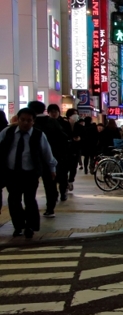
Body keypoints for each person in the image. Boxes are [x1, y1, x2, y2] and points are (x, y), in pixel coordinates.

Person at [0, 109, 57, 239]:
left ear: (33, 121)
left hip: (30, 173)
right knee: (14, 200)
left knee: (30, 199)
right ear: (17, 120)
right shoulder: (8, 132)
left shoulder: (38, 135)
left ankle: (30, 226)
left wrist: (52, 169)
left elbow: (47, 153)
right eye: (23, 120)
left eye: (29, 120)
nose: (25, 123)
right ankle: (18, 226)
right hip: (11, 172)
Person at [28, 101, 67, 218]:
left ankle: (29, 208)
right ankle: (50, 208)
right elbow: (63, 138)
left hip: (31, 160)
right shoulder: (52, 122)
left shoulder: (30, 123)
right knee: (49, 183)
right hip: (51, 157)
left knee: (29, 186)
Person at [66, 109, 80, 192]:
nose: (76, 115)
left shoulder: (79, 126)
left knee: (74, 167)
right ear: (69, 115)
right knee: (65, 167)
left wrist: (80, 138)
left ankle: (70, 181)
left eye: (77, 114)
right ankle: (64, 182)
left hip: (76, 149)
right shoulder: (64, 125)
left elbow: (84, 137)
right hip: (65, 150)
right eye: (74, 114)